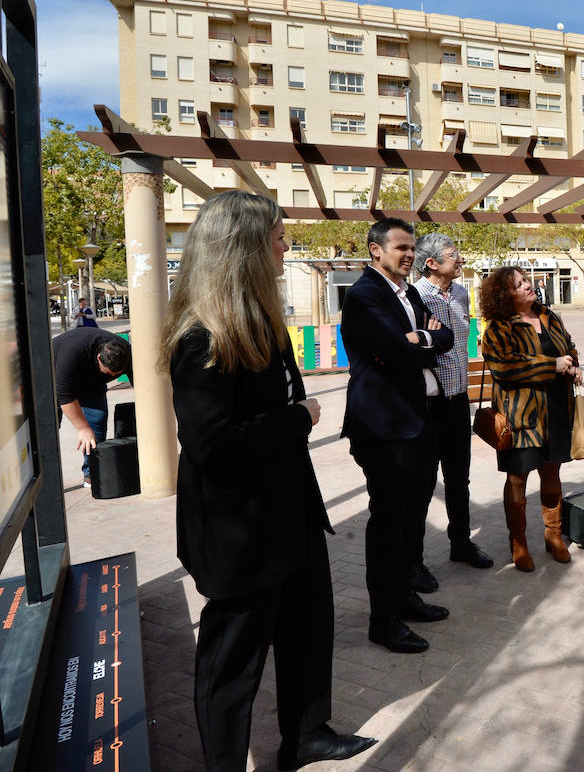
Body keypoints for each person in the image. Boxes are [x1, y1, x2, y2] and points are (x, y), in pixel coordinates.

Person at [161, 191, 373, 772]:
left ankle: (307, 735)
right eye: (278, 238)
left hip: (291, 512)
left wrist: (291, 418)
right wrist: (296, 418)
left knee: (308, 628)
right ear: (244, 249)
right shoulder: (202, 337)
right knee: (234, 659)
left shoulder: (264, 324)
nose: (285, 247)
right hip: (240, 530)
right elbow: (211, 445)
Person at [340, 218, 454, 655]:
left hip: (417, 421)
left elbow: (445, 337)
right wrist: (421, 342)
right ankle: (383, 620)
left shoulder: (407, 294)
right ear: (376, 250)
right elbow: (393, 352)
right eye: (401, 248)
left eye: (412, 248)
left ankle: (404, 596)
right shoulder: (364, 295)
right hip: (384, 429)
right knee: (388, 524)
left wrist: (419, 338)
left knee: (409, 519)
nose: (410, 255)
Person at [479, 266, 583, 572]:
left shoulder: (549, 317)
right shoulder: (498, 328)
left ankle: (554, 535)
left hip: (557, 411)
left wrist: (573, 366)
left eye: (526, 280)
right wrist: (552, 365)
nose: (528, 285)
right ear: (504, 295)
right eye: (519, 284)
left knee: (552, 475)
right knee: (517, 480)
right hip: (520, 419)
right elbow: (505, 369)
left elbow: (569, 348)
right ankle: (519, 542)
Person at [413, 233, 494, 571]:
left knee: (459, 478)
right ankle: (414, 561)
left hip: (459, 402)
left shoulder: (461, 293)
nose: (461, 259)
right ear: (431, 263)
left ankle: (460, 543)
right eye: (453, 255)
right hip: (427, 406)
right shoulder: (414, 297)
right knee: (423, 483)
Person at [52, 327, 131, 488]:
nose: (112, 376)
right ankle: (47, 477)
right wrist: (82, 428)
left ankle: (92, 472)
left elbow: (141, 385)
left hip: (91, 382)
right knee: (47, 429)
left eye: (116, 374)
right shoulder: (72, 354)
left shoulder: (126, 353)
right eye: (108, 373)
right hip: (52, 378)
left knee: (97, 420)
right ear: (99, 357)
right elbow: (65, 397)